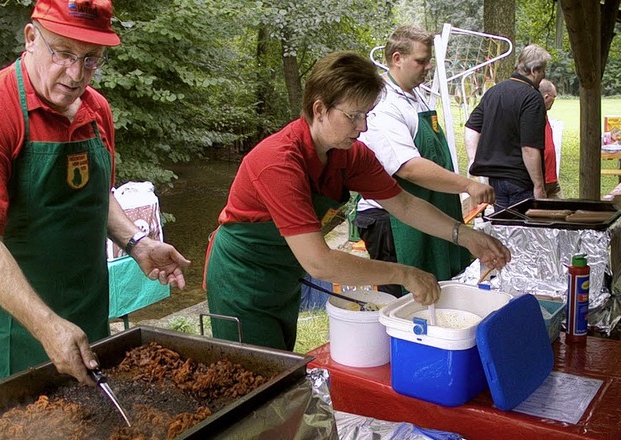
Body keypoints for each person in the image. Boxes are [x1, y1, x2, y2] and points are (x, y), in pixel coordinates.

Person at [204, 51, 511, 351]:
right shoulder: (278, 163)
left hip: (283, 274)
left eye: (367, 115)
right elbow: (319, 262)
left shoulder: (350, 155)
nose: (362, 127)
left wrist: (464, 235)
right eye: (353, 116)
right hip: (242, 279)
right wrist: (403, 273)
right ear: (320, 109)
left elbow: (403, 204)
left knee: (280, 364)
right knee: (254, 377)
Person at [0, 0, 191, 388]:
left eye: (91, 59)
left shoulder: (98, 112)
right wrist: (46, 326)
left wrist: (137, 244)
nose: (76, 73)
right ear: (30, 38)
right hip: (10, 332)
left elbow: (97, 196)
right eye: (63, 53)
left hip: (85, 318)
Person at [355, 25, 496, 296]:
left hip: (425, 213)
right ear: (397, 58)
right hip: (393, 224)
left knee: (437, 296)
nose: (428, 66)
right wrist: (467, 185)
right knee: (404, 303)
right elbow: (409, 168)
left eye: (428, 60)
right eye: (421, 61)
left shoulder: (415, 96)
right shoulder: (384, 105)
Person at [465, 44, 551, 207]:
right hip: (520, 181)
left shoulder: (494, 91)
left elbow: (471, 127)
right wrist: (539, 187)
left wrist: (472, 159)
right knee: (522, 230)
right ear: (534, 71)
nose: (543, 76)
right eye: (543, 71)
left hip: (495, 181)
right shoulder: (532, 98)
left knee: (501, 230)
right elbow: (529, 148)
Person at [539, 78, 563, 199]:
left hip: (551, 177)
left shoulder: (543, 114)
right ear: (547, 97)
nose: (554, 100)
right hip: (543, 177)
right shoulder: (533, 115)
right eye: (554, 97)